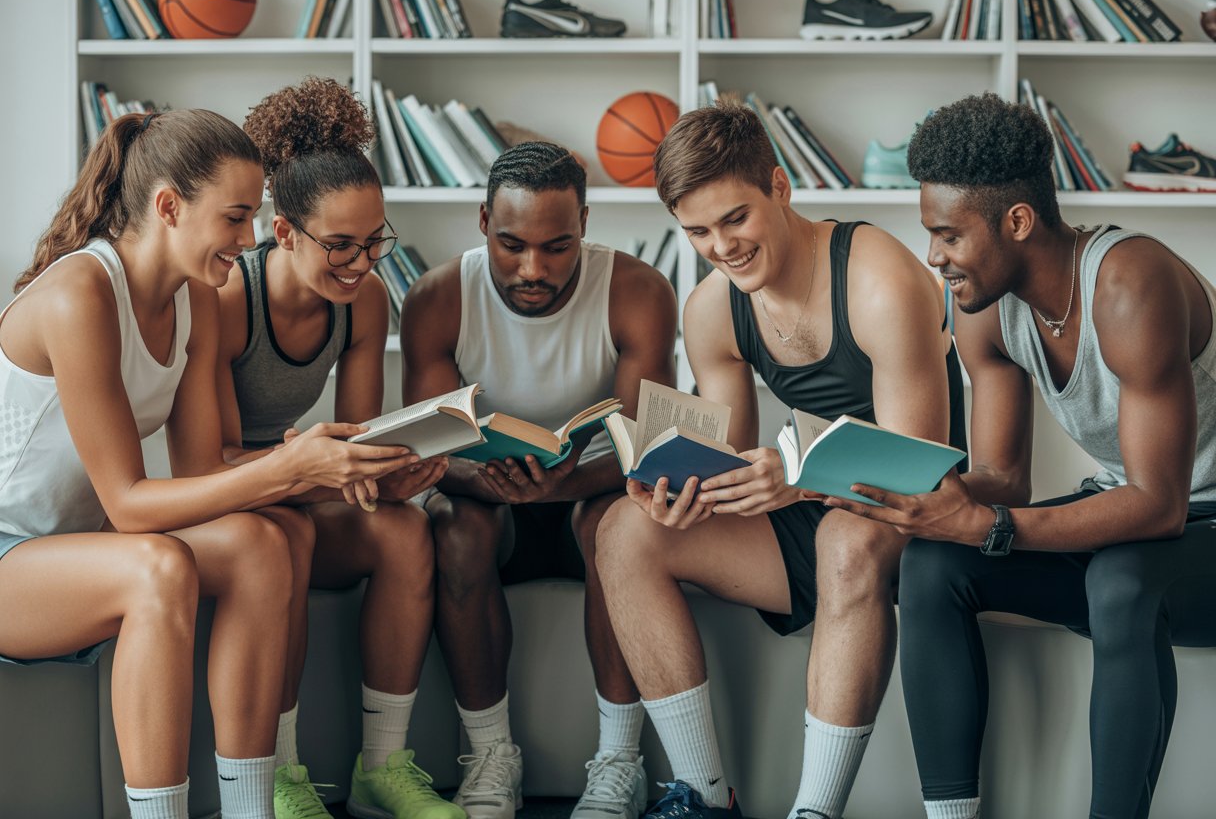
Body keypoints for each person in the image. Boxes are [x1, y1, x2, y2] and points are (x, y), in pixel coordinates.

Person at [0, 110, 412, 819]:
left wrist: (337, 470)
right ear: (168, 207)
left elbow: (202, 478)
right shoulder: (80, 295)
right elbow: (131, 505)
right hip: (16, 554)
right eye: (236, 217)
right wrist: (293, 465)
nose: (250, 240)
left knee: (257, 543)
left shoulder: (193, 296)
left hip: (82, 545)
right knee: (159, 567)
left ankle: (253, 808)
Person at [819, 92, 1216, 819]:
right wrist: (898, 495)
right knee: (934, 563)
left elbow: (1159, 508)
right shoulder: (987, 309)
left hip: (1195, 525)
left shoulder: (1131, 284)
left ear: (1018, 221)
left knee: (1124, 582)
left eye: (947, 235)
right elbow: (1003, 478)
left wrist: (992, 526)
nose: (933, 257)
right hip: (1140, 511)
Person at [594, 101, 968, 819]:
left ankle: (813, 811)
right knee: (622, 530)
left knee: (845, 535)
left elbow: (918, 466)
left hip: (914, 515)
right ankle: (704, 799)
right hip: (812, 502)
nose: (722, 246)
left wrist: (794, 480)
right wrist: (683, 493)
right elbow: (729, 461)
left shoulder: (875, 276)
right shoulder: (711, 309)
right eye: (698, 231)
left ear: (780, 186)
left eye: (736, 218)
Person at [399, 142, 678, 819]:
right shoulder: (437, 297)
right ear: (483, 222)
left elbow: (649, 447)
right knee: (452, 531)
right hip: (487, 506)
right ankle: (491, 758)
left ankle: (619, 761)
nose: (534, 268)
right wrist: (489, 481)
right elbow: (431, 453)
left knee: (618, 524)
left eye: (558, 246)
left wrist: (558, 486)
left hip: (589, 498)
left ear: (585, 221)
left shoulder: (638, 290)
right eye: (512, 244)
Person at [217, 77, 459, 819]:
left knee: (407, 529)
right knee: (281, 534)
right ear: (283, 233)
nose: (363, 263)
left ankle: (382, 769)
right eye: (341, 245)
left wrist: (392, 471)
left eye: (376, 240)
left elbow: (355, 443)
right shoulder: (230, 300)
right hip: (226, 495)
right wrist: (318, 469)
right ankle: (284, 777)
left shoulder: (364, 302)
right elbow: (213, 462)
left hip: (298, 482)